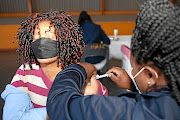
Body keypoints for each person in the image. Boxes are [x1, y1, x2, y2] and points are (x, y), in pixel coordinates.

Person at [46, 0, 180, 119]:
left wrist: (79, 68)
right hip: (101, 59)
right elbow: (107, 41)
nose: (132, 72)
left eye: (133, 68)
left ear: (150, 74)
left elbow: (59, 105)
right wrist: (134, 87)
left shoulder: (128, 111)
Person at [1, 10, 108, 120]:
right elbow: (12, 117)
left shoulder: (83, 78)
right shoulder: (25, 71)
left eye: (49, 36)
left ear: (64, 40)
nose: (42, 42)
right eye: (37, 37)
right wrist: (65, 111)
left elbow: (102, 111)